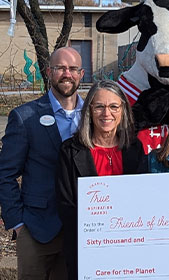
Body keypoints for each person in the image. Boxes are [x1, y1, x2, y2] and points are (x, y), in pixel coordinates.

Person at [0, 47, 84, 279]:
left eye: (73, 68)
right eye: (60, 68)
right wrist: (17, 222)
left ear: (82, 74)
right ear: (49, 72)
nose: (67, 74)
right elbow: (5, 174)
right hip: (37, 229)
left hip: (83, 229)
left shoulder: (94, 116)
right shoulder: (25, 117)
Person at [55, 80, 144, 279]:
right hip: (86, 250)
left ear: (123, 111)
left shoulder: (135, 149)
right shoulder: (70, 151)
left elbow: (142, 202)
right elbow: (66, 205)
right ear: (89, 111)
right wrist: (98, 238)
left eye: (114, 106)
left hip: (130, 249)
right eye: (99, 107)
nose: (107, 114)